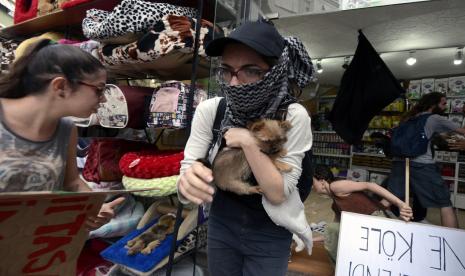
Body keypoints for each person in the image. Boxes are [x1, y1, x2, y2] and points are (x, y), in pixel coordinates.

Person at [177, 20, 314, 275]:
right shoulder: (212, 110)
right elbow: (189, 170)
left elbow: (277, 192)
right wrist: (188, 183)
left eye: (251, 71)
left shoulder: (293, 116)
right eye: (227, 71)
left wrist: (250, 142)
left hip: (270, 232)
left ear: (276, 70)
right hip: (220, 224)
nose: (235, 83)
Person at [0, 39, 124, 231]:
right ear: (60, 86)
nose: (104, 98)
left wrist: (91, 207)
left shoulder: (66, 130)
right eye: (99, 89)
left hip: (30, 248)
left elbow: (71, 182)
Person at [386, 92, 465, 228]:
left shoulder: (408, 118)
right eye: (443, 103)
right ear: (434, 104)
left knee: (389, 198)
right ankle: (453, 244)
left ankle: (368, 222)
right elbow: (462, 131)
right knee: (444, 203)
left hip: (400, 162)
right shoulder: (434, 118)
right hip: (422, 164)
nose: (445, 107)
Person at [311, 164, 413, 262]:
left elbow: (369, 185)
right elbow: (332, 233)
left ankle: (343, 267)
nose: (312, 186)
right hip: (366, 227)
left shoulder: (335, 186)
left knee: (331, 229)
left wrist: (399, 203)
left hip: (375, 220)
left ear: (322, 180)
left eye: (313, 182)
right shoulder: (335, 205)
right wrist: (310, 239)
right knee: (333, 229)